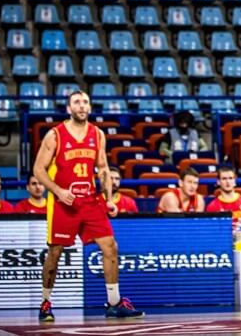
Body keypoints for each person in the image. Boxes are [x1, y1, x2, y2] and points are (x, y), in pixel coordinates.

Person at [32, 90, 142, 321]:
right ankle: (45, 303)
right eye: (76, 102)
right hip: (64, 202)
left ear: (90, 108)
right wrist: (59, 191)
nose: (81, 106)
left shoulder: (98, 134)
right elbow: (38, 170)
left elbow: (103, 168)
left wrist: (109, 198)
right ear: (69, 108)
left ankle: (114, 303)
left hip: (90, 201)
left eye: (85, 102)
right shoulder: (55, 135)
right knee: (55, 253)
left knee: (110, 247)